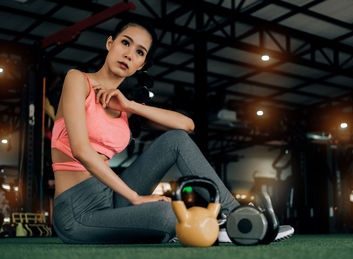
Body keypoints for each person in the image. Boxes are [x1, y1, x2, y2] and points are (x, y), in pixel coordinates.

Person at [51, 18, 240, 244]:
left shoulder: (123, 108)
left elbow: (187, 126)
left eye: (140, 52)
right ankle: (178, 227)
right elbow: (81, 150)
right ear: (110, 43)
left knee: (176, 139)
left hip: (111, 198)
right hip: (77, 213)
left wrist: (130, 106)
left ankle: (238, 217)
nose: (129, 55)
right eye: (125, 43)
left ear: (141, 65)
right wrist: (136, 198)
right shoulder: (78, 80)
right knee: (169, 213)